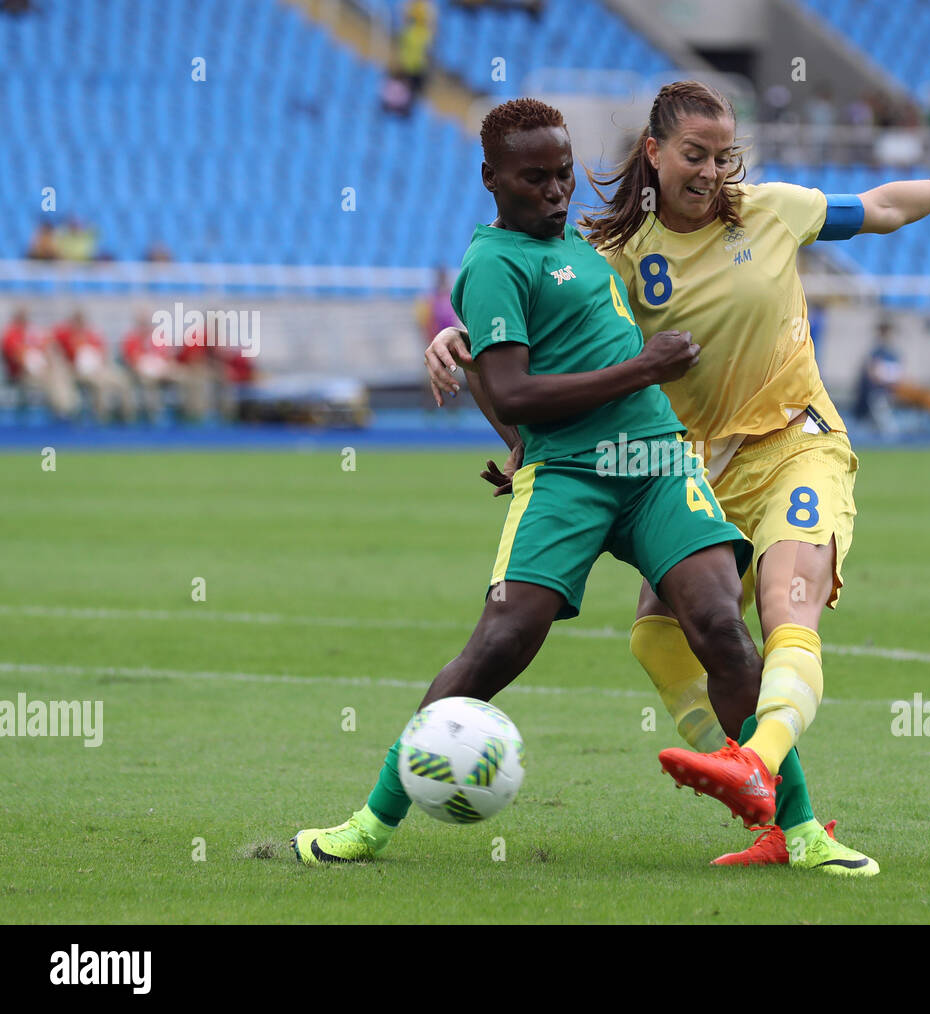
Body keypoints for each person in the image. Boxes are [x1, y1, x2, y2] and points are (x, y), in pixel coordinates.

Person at [427, 80, 930, 873]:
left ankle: (761, 772)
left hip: (795, 440)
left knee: (783, 608)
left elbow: (879, 206)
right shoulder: (616, 256)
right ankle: (762, 807)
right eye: (695, 156)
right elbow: (537, 306)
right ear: (657, 154)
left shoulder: (773, 210)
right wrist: (459, 337)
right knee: (657, 641)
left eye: (723, 156)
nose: (711, 172)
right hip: (691, 465)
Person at [293, 98, 768, 866]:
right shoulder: (491, 264)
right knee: (501, 644)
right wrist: (638, 369)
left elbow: (533, 366)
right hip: (570, 481)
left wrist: (486, 374)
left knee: (722, 629)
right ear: (492, 179)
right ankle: (369, 824)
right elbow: (512, 391)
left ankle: (796, 827)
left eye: (562, 175)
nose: (555, 191)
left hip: (653, 463)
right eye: (534, 178)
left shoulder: (581, 248)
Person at [854, 318, 930, 435]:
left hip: (899, 388)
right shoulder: (875, 353)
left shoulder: (893, 353)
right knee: (926, 395)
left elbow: (899, 373)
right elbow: (875, 375)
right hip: (887, 390)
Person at [51, 310, 136, 422]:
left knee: (123, 381)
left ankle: (127, 416)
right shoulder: (65, 334)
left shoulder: (92, 335)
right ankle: (102, 418)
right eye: (76, 321)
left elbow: (103, 354)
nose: (79, 324)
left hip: (97, 370)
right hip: (76, 372)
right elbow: (52, 344)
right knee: (99, 385)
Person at [2, 309, 79, 419]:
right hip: (22, 374)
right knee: (51, 379)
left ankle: (68, 406)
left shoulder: (32, 333)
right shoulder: (10, 335)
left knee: (59, 373)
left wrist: (46, 360)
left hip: (41, 370)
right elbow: (17, 357)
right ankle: (64, 409)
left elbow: (46, 345)